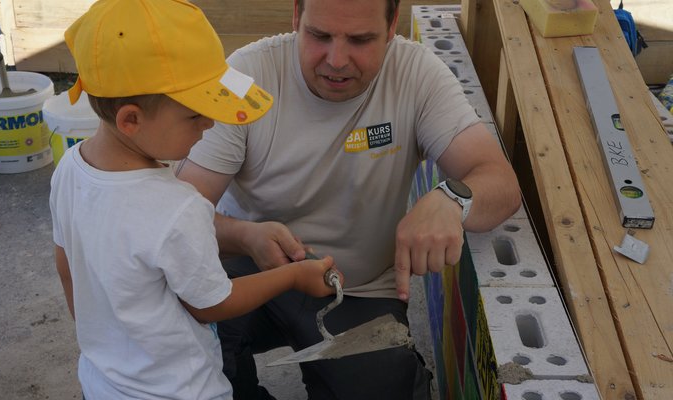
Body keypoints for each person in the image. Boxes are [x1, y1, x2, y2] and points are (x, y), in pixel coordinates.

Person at [175, 0, 522, 398]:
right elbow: (177, 217)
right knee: (167, 339)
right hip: (254, 272)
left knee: (384, 386)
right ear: (296, 17)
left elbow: (501, 182)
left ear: (391, 27)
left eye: (360, 40)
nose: (336, 60)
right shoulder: (246, 77)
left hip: (359, 290)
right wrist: (245, 236)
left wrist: (451, 200)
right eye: (319, 35)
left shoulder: (416, 74)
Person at [49, 0, 343, 398]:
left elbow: (66, 265)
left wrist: (104, 343)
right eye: (194, 114)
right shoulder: (176, 207)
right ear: (130, 120)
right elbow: (211, 305)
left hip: (102, 382)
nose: (210, 122)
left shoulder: (69, 170)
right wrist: (293, 276)